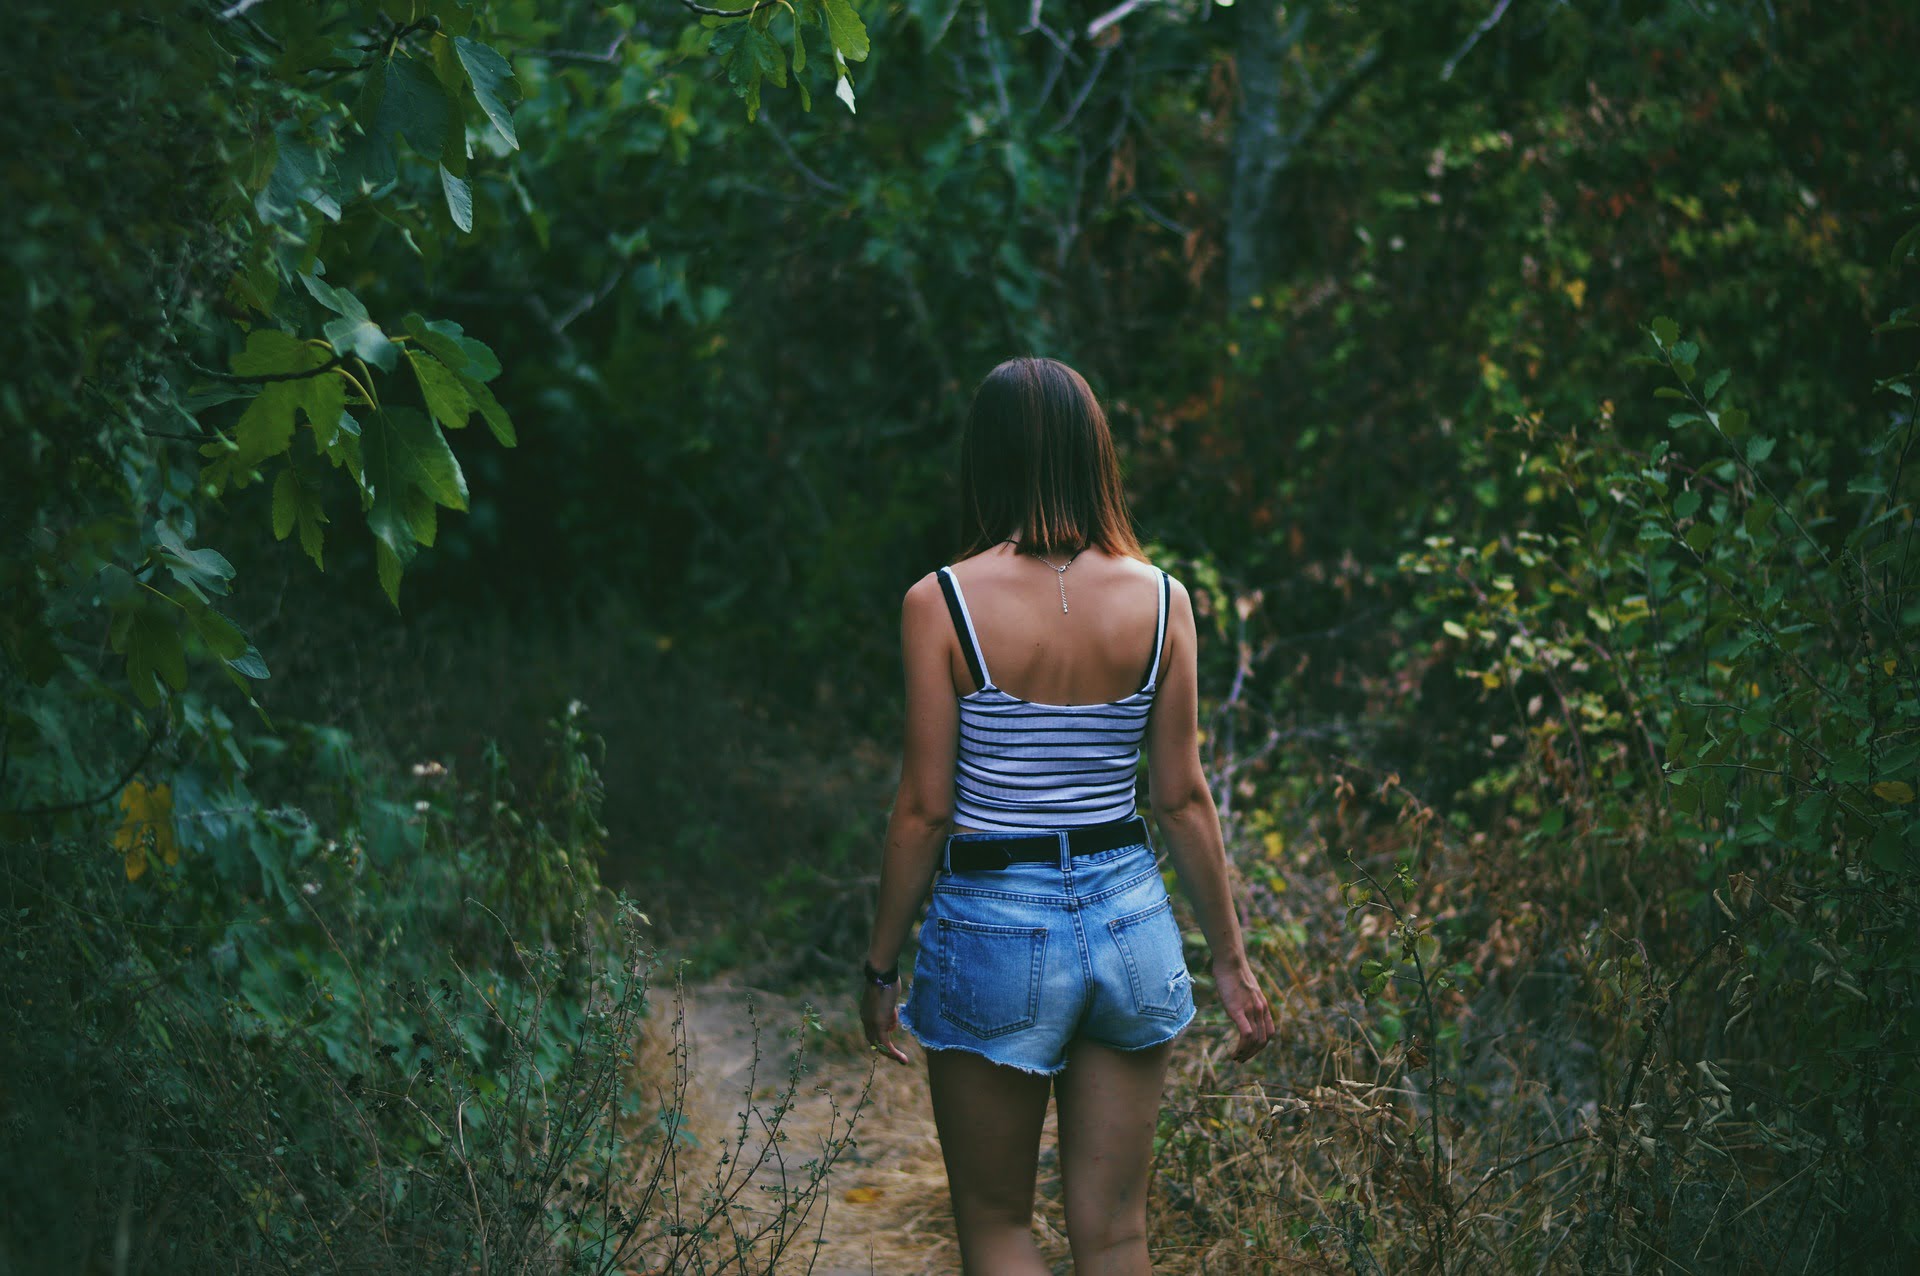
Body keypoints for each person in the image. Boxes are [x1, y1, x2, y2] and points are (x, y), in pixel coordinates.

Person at [860, 356, 1275, 1275]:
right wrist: (1232, 961)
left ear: (988, 460)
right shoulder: (1165, 600)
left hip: (995, 927)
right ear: (1097, 455)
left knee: (1000, 1225)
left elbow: (925, 810)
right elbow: (1181, 796)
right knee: (1118, 1232)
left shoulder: (940, 603)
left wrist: (881, 964)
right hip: (1132, 925)